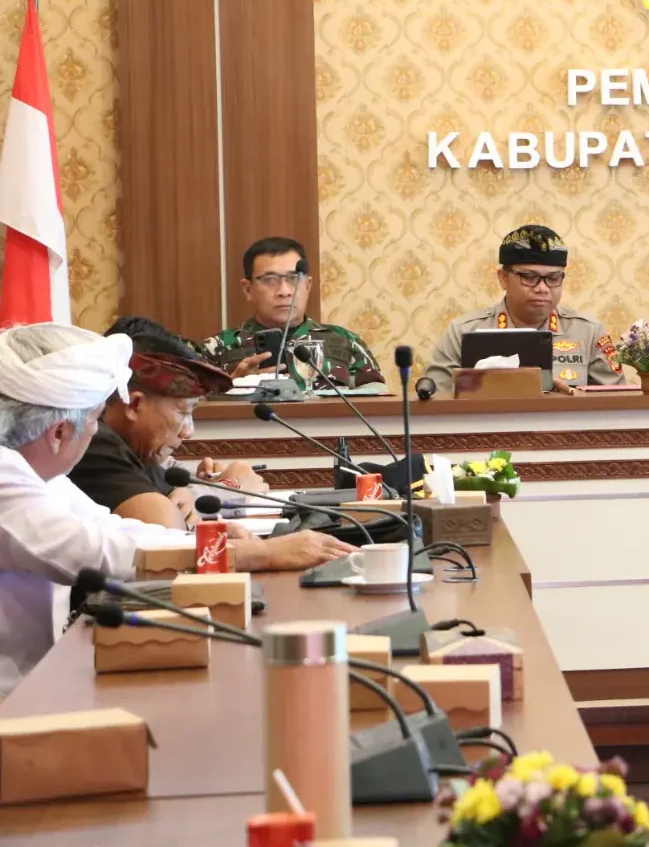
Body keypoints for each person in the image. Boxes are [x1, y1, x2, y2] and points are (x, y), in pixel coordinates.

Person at [0, 324, 352, 697]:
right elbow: (98, 552)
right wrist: (257, 553)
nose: (95, 432)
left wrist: (207, 541)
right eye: (93, 420)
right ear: (58, 433)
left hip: (36, 689)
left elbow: (113, 528)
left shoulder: (41, 476)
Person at [71, 318, 272, 527]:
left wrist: (200, 490)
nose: (188, 432)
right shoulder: (92, 441)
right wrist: (232, 486)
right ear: (134, 405)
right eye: (183, 413)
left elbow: (175, 490)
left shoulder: (136, 449)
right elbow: (168, 531)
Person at [426, 225, 623, 396]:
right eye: (529, 277)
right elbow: (436, 400)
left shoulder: (588, 332)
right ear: (503, 278)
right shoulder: (463, 332)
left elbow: (617, 401)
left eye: (553, 278)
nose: (542, 288)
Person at [201, 237, 385, 387]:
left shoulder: (345, 341)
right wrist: (232, 388)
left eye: (294, 278)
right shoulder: (216, 349)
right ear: (248, 289)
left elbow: (375, 401)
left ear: (308, 286)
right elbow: (194, 409)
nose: (284, 291)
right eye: (270, 279)